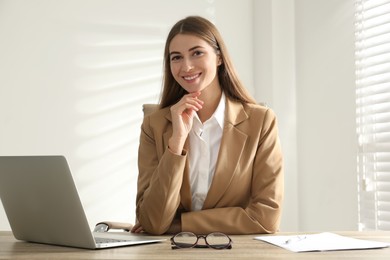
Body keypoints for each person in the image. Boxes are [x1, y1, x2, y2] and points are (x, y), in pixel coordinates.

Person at [131, 16, 283, 235]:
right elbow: (153, 222)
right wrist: (176, 144)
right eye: (176, 57)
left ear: (219, 57)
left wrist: (181, 225)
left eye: (197, 53)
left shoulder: (261, 122)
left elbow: (266, 218)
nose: (187, 66)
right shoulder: (154, 125)